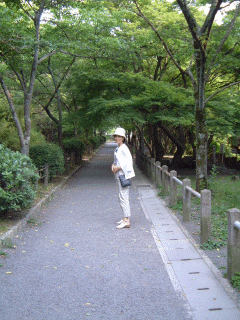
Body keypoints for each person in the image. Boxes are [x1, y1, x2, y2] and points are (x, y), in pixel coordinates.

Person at [111, 127, 135, 229]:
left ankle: (127, 220)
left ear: (123, 138)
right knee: (121, 197)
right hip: (118, 174)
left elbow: (129, 162)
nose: (117, 138)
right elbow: (117, 160)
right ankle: (124, 218)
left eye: (119, 136)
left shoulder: (124, 148)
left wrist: (118, 167)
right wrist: (113, 165)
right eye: (116, 136)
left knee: (124, 197)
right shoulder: (118, 147)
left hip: (123, 175)